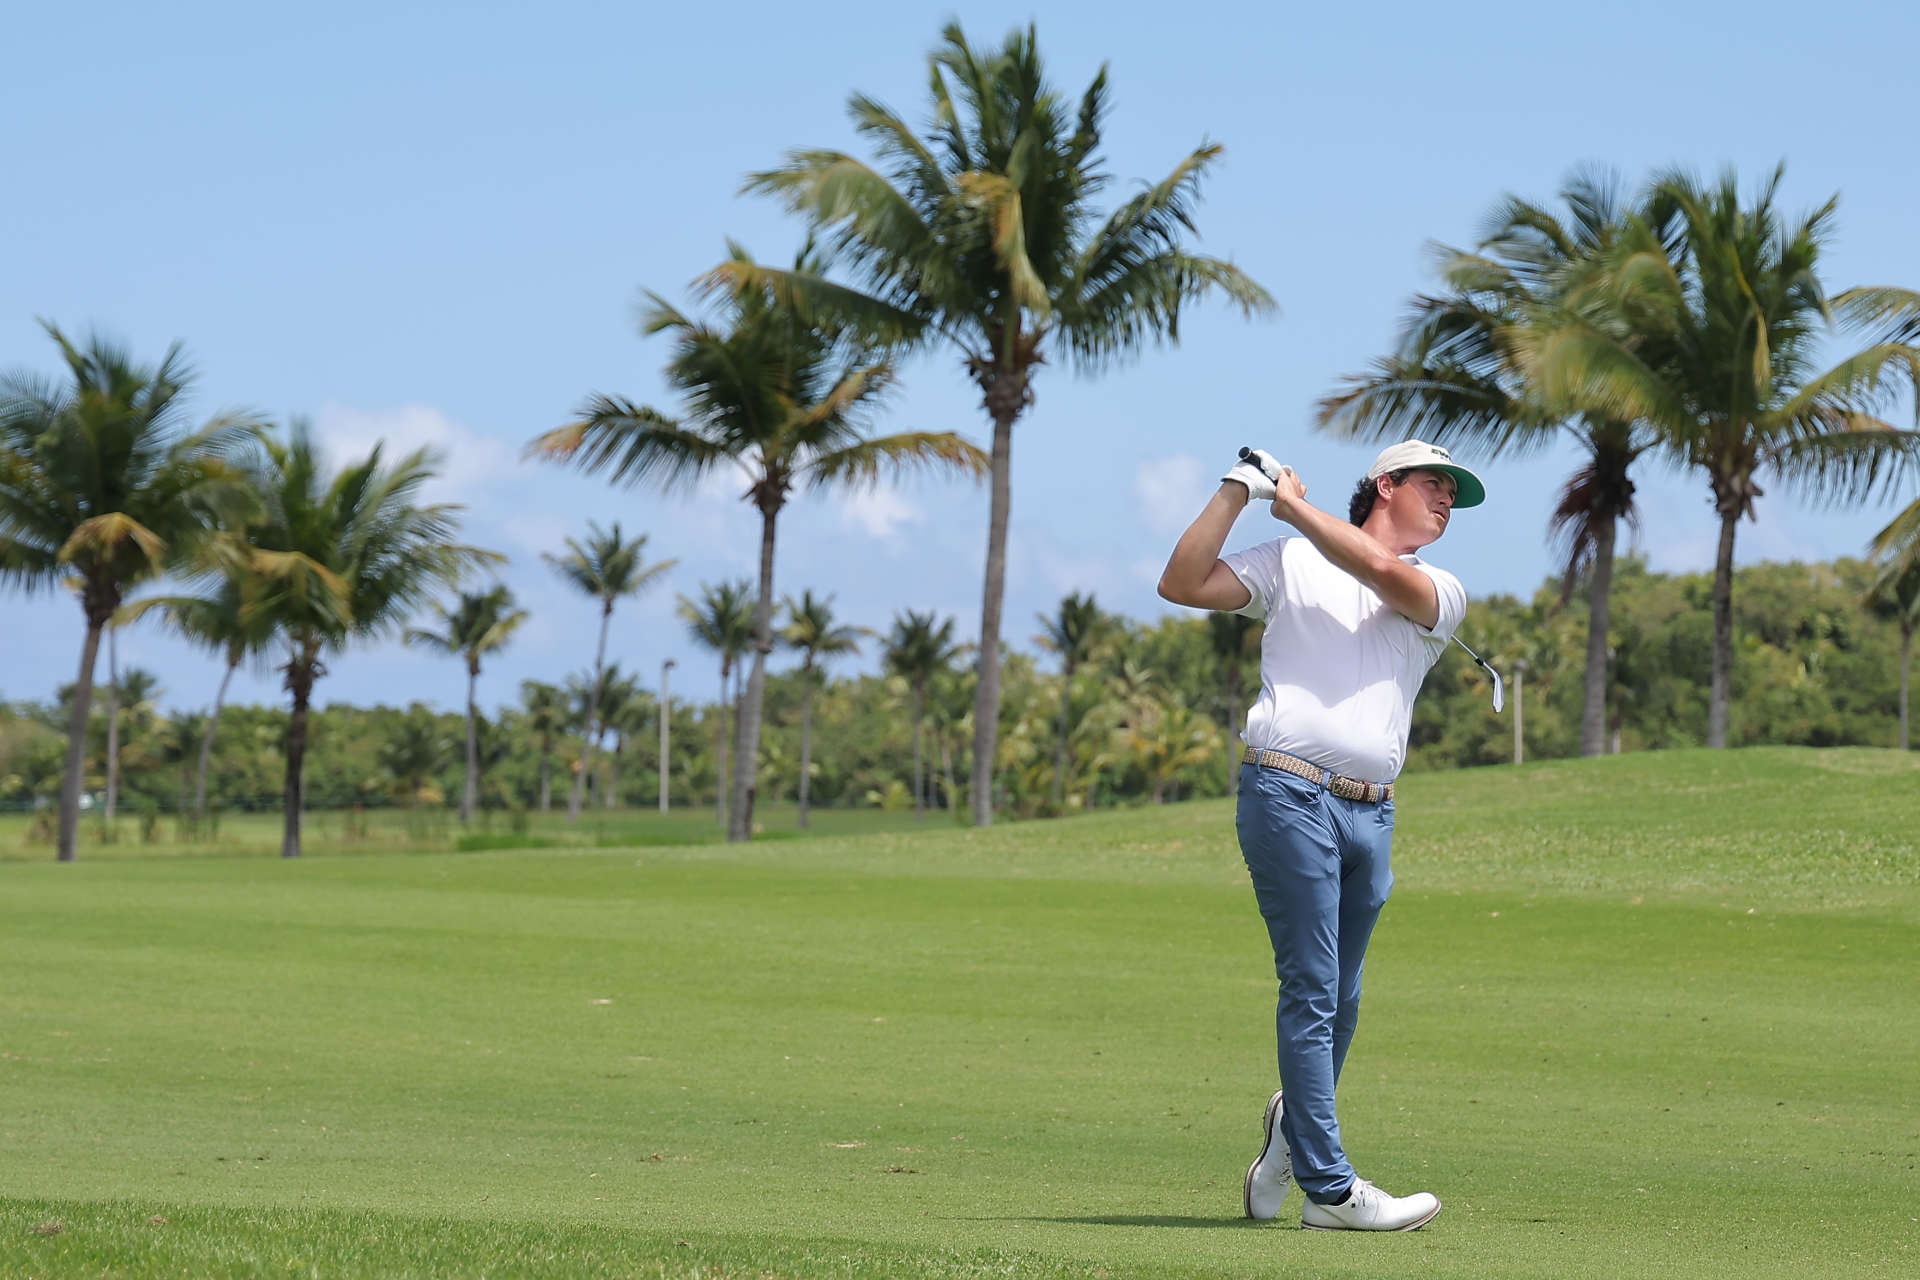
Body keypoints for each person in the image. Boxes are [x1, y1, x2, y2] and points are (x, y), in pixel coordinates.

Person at [1156, 439, 1484, 1232]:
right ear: (1386, 483)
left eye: (1453, 494)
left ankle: (1288, 1139)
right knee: (1310, 985)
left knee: (1343, 998)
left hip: (1373, 811)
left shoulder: (1441, 589)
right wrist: (1239, 490)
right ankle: (1331, 1192)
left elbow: (1377, 572)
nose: (1447, 503)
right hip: (1286, 790)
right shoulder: (1290, 561)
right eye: (1435, 486)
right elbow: (1180, 582)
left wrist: (1291, 503)